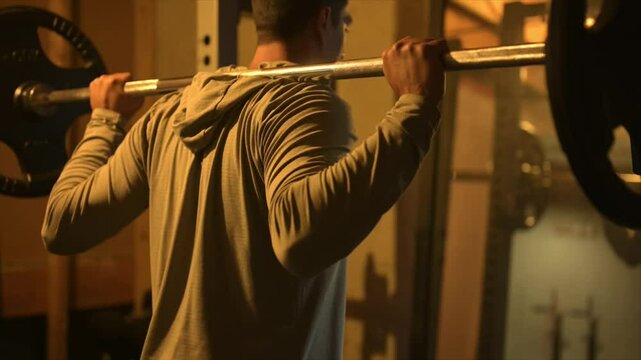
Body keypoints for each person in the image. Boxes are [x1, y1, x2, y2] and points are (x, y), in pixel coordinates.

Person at [41, 0, 447, 358]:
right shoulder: (303, 104)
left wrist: (105, 119)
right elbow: (301, 238)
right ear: (324, 20)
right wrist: (414, 106)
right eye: (346, 22)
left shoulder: (166, 117)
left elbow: (61, 222)